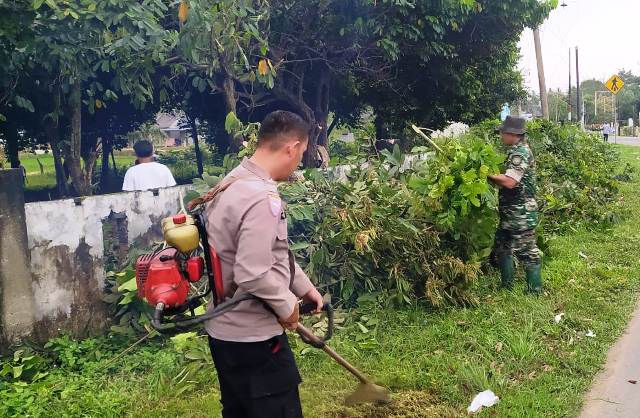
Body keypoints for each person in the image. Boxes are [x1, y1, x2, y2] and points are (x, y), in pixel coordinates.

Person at [196, 111, 324, 418]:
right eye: (302, 153)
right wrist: (286, 305)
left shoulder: (231, 182)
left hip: (224, 334)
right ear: (292, 147)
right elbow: (252, 272)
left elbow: (271, 254)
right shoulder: (261, 197)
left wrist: (304, 288)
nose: (298, 161)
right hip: (255, 340)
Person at [488, 116, 542, 294]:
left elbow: (511, 182)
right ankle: (506, 286)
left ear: (512, 134)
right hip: (511, 212)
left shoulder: (520, 153)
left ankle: (534, 290)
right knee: (503, 245)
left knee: (527, 250)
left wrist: (487, 175)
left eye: (503, 132)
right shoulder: (515, 151)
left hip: (521, 213)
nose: (501, 135)